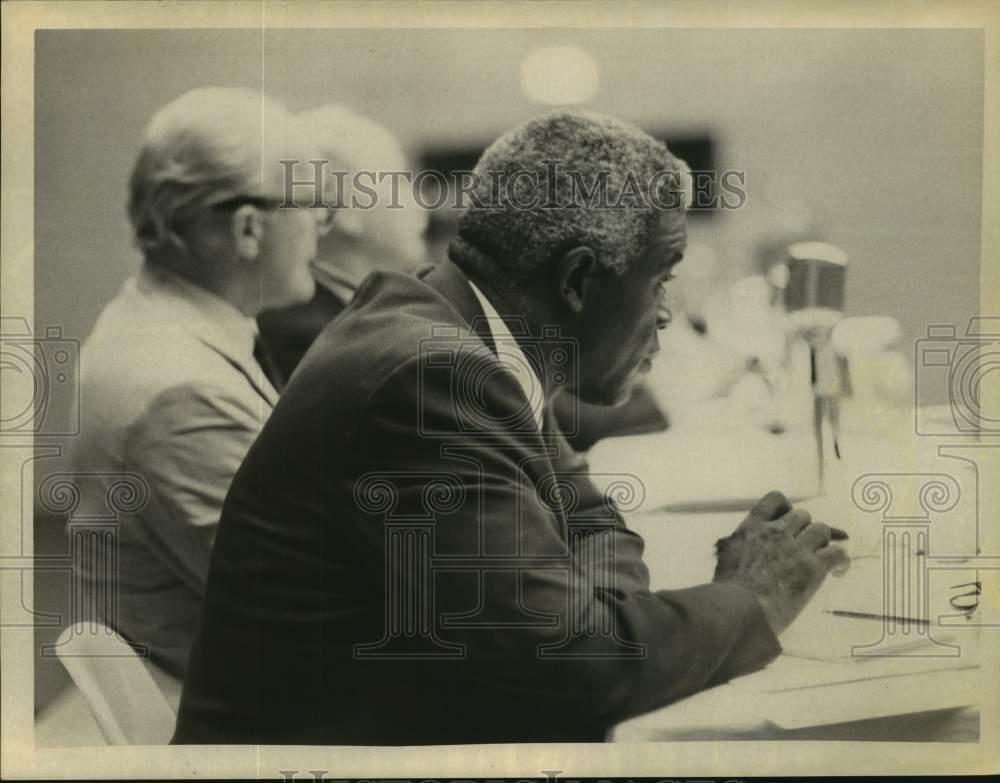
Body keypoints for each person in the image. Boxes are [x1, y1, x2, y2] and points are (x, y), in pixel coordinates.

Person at [174, 111, 850, 744]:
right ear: (580, 280)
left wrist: (595, 617)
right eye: (659, 280)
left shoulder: (452, 329)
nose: (667, 314)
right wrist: (748, 597)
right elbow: (573, 669)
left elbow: (593, 519)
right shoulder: (429, 375)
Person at [68, 87, 330, 681]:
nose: (321, 224)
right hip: (257, 720)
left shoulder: (152, 324)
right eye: (310, 202)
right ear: (246, 230)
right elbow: (313, 605)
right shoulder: (177, 388)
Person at [257, 104, 429, 383]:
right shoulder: (315, 338)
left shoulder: (340, 319)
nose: (421, 202)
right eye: (400, 180)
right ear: (340, 207)